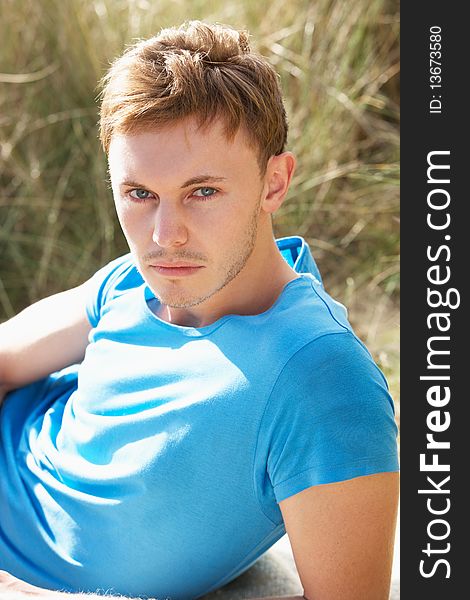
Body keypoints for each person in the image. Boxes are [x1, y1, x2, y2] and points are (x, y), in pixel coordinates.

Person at [0, 21, 399, 600]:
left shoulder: (325, 385)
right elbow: (6, 359)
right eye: (139, 194)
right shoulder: (131, 281)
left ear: (274, 183)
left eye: (202, 191)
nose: (165, 236)